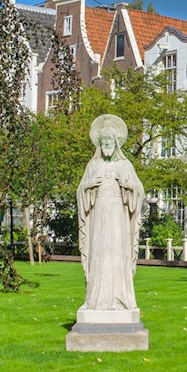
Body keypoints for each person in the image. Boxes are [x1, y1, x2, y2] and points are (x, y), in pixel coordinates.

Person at [76, 114, 144, 311]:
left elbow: (139, 191)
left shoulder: (125, 165)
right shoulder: (93, 165)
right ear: (99, 143)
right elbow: (80, 191)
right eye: (103, 141)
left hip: (118, 219)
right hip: (98, 217)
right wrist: (88, 185)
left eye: (109, 141)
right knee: (98, 253)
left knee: (116, 253)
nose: (106, 144)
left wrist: (129, 185)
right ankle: (95, 300)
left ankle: (119, 298)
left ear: (116, 143)